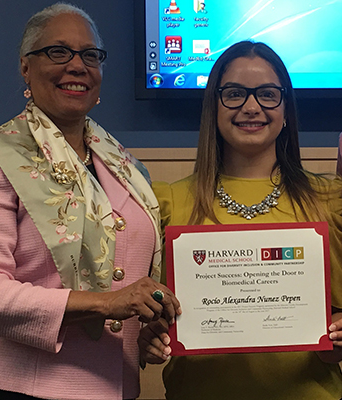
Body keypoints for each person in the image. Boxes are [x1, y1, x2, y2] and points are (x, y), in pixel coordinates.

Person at [0, 3, 181, 400]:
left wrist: (148, 329)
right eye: (58, 52)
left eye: (91, 55)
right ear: (25, 66)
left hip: (114, 386)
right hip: (15, 387)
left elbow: (127, 272)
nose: (77, 65)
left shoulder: (126, 166)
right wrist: (107, 304)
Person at [138, 40, 342, 399]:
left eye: (267, 94)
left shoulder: (331, 202)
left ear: (286, 110)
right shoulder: (164, 203)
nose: (251, 107)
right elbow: (144, 313)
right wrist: (147, 337)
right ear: (213, 108)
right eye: (234, 93)